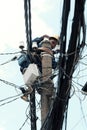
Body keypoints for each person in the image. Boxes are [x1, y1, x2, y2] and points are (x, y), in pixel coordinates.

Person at [17, 34, 60, 101]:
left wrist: (63, 60)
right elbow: (31, 43)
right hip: (29, 66)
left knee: (48, 85)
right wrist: (41, 38)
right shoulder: (37, 46)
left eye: (55, 44)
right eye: (52, 42)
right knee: (34, 71)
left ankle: (28, 92)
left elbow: (54, 65)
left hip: (39, 75)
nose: (53, 44)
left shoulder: (51, 56)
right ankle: (29, 88)